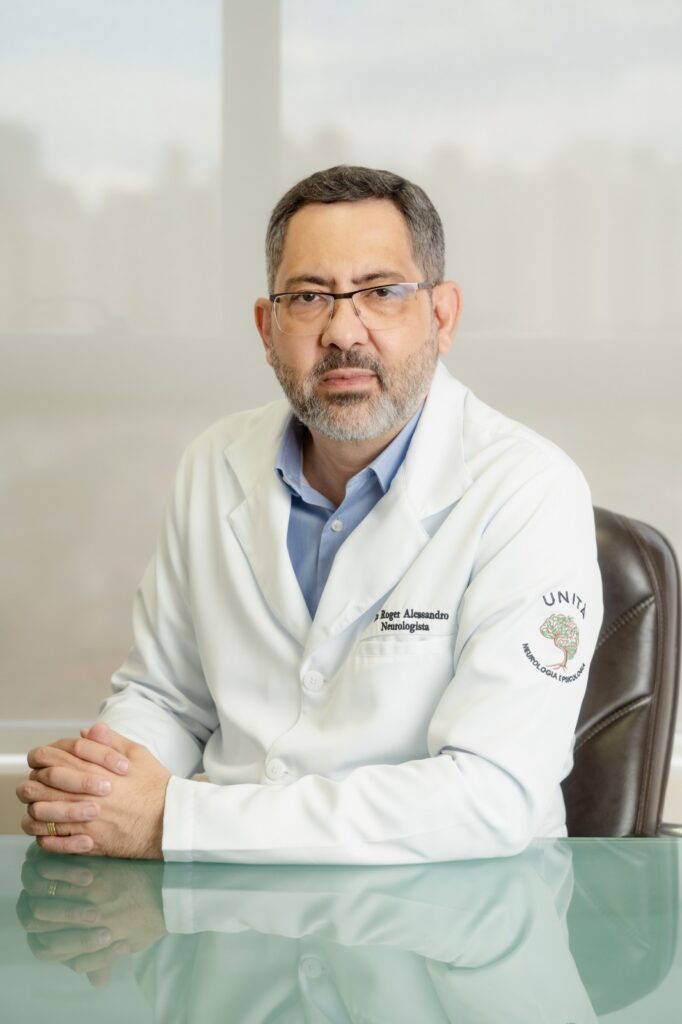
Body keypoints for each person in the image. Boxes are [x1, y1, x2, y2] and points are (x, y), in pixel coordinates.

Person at [17, 165, 603, 863]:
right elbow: (168, 697)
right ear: (267, 329)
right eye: (307, 297)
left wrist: (173, 821)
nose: (342, 331)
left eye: (381, 291)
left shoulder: (528, 491)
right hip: (232, 909)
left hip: (455, 913)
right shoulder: (214, 464)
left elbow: (490, 796)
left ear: (442, 317)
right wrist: (99, 791)